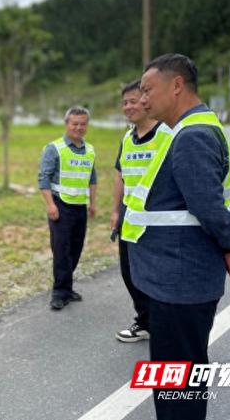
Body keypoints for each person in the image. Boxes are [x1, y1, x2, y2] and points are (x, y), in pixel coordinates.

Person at [122, 54, 230, 420]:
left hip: (179, 280)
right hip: (177, 277)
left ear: (176, 85)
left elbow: (208, 207)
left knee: (178, 380)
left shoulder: (192, 136)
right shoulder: (188, 129)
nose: (142, 99)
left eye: (148, 90)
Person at [111, 80, 170, 342]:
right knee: (130, 273)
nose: (128, 107)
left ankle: (163, 324)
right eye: (124, 103)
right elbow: (120, 175)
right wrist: (115, 211)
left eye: (133, 101)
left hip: (160, 222)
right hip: (130, 218)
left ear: (146, 101)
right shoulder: (127, 138)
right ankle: (145, 321)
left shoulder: (166, 136)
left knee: (159, 276)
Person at [38, 106, 97, 311]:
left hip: (80, 206)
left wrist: (93, 204)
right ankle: (59, 292)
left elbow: (92, 178)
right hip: (60, 206)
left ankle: (67, 287)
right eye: (75, 124)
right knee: (61, 250)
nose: (79, 127)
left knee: (75, 249)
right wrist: (50, 205)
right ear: (67, 124)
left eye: (83, 124)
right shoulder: (54, 149)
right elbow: (43, 178)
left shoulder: (89, 150)